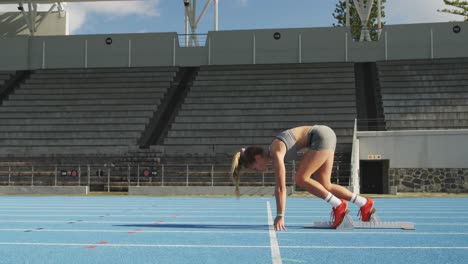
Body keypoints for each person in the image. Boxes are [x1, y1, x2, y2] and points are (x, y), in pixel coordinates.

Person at [230, 125, 374, 231]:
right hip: (326, 134)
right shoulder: (274, 151)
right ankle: (364, 203)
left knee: (301, 178)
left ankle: (338, 205)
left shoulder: (276, 151)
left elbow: (280, 188)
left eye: (255, 168)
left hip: (320, 136)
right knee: (325, 184)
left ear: (257, 158)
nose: (257, 171)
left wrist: (280, 215)